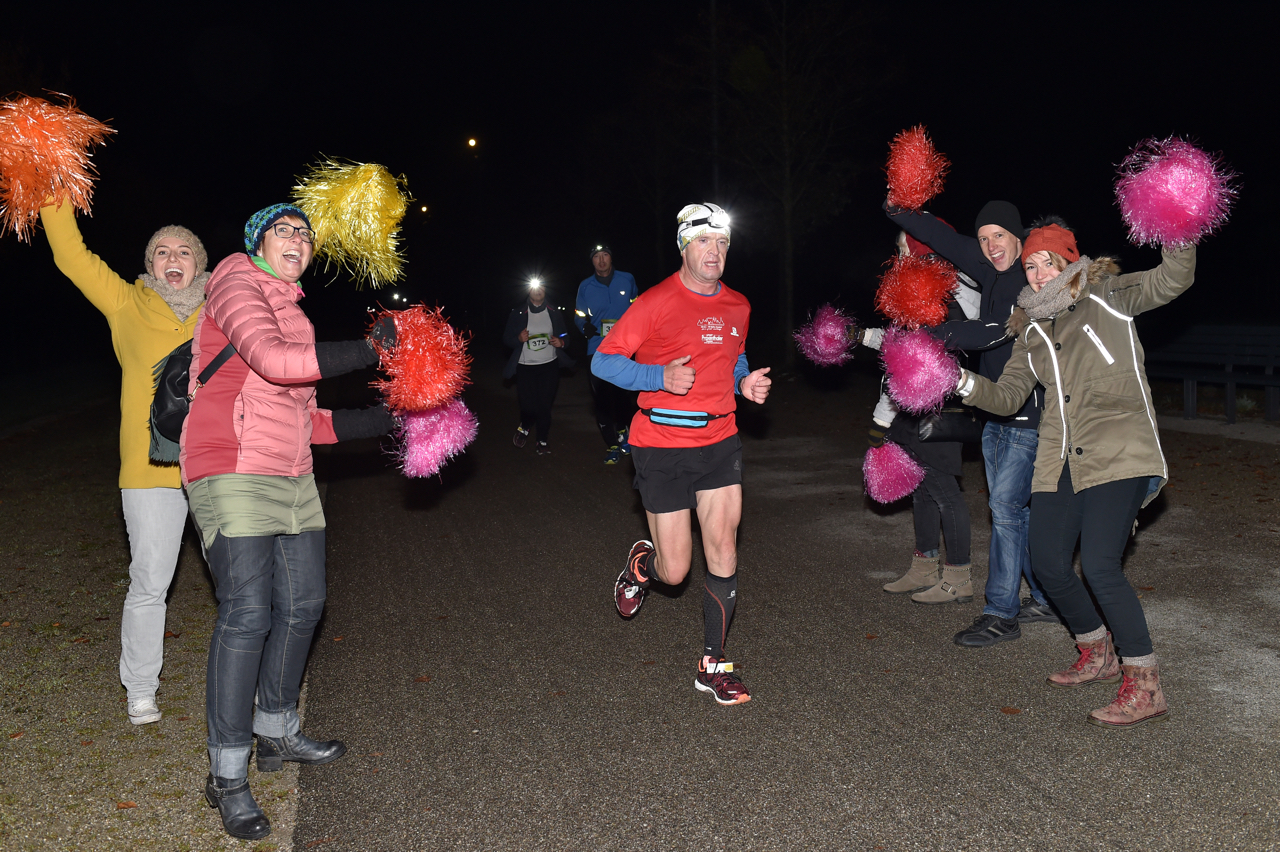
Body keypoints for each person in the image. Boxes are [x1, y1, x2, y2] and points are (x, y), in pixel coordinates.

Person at [181, 204, 397, 839]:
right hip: (231, 465)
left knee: (305, 604)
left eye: (305, 233)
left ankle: (277, 733)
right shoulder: (233, 281)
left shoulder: (295, 310)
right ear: (256, 242)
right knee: (248, 615)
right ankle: (227, 775)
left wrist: (390, 422)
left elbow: (305, 416)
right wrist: (368, 348)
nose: (298, 239)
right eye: (284, 230)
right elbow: (274, 361)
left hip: (292, 473)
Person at [956, 223, 1194, 727]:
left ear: (1069, 262)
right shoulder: (1031, 329)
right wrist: (954, 380)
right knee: (1047, 563)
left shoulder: (1108, 295)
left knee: (1102, 567)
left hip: (1119, 450)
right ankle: (1096, 651)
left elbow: (1172, 279)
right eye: (1031, 266)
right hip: (1058, 459)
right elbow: (1005, 397)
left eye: (1049, 263)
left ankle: (1145, 684)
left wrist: (1177, 225)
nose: (1039, 274)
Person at [39, 197, 209, 727]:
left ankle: (245, 690)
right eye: (162, 251)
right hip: (149, 473)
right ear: (150, 264)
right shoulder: (125, 302)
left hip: (218, 468)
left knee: (242, 585)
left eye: (184, 250)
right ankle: (140, 688)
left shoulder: (225, 306)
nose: (172, 257)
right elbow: (72, 255)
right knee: (150, 581)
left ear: (201, 264)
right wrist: (50, 186)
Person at [593, 203, 771, 705]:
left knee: (725, 549)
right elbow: (603, 361)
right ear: (683, 246)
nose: (713, 252)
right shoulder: (655, 302)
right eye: (702, 242)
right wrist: (658, 378)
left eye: (721, 243)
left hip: (720, 440)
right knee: (676, 572)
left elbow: (733, 356)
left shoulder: (739, 305)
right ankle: (640, 569)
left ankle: (713, 665)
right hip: (661, 445)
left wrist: (745, 381)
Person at [886, 201, 1059, 647]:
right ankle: (1042, 597)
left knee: (1004, 511)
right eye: (984, 238)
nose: (989, 245)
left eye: (998, 235)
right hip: (994, 411)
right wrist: (899, 209)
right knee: (1016, 512)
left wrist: (933, 337)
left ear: (1018, 237)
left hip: (1029, 414)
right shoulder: (992, 272)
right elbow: (943, 239)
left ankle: (1002, 612)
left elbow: (997, 330)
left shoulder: (1032, 279)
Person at [870, 229, 980, 604]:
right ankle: (924, 564)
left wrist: (948, 280)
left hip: (940, 412)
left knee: (946, 494)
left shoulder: (955, 293)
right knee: (921, 491)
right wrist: (882, 420)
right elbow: (894, 350)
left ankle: (958, 576)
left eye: (907, 249)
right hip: (907, 411)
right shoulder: (910, 298)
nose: (901, 256)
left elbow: (975, 324)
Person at [576, 244, 638, 464]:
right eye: (596, 257)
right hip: (596, 349)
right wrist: (584, 327)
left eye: (605, 255)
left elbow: (636, 306)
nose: (601, 260)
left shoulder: (627, 279)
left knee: (622, 394)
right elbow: (579, 314)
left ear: (611, 258)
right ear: (591, 261)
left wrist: (637, 327)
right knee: (601, 398)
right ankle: (611, 444)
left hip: (624, 347)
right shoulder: (585, 286)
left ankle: (623, 433)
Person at [504, 278, 574, 455]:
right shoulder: (518, 313)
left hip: (549, 366)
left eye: (541, 287)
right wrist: (518, 339)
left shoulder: (553, 312)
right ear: (528, 291)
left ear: (545, 290)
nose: (538, 290)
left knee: (544, 406)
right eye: (534, 287)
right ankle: (526, 425)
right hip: (525, 367)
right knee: (528, 406)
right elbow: (506, 338)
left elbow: (565, 334)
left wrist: (562, 341)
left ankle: (542, 440)